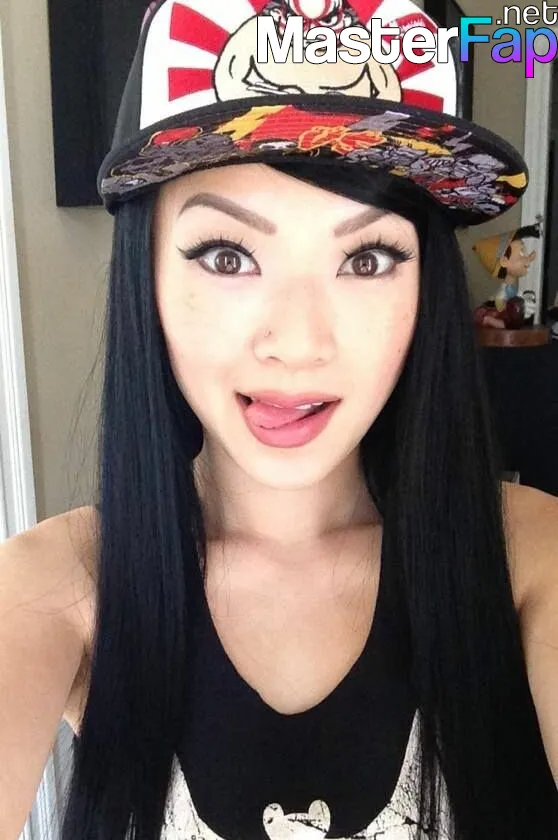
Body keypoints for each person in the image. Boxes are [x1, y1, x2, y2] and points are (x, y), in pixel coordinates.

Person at [1, 1, 557, 839]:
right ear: (147, 278)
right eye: (228, 256)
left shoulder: (532, 561)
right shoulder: (57, 585)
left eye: (367, 258)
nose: (298, 344)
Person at [472, 223, 541, 330]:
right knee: (507, 324)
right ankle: (488, 320)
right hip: (498, 315)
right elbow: (501, 306)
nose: (527, 258)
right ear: (504, 261)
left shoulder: (512, 288)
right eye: (521, 253)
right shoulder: (504, 291)